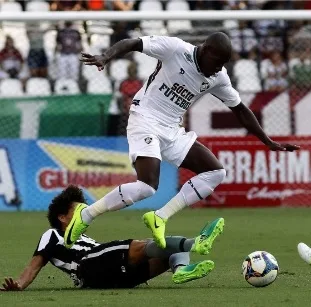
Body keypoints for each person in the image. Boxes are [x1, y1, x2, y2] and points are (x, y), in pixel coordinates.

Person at [66, 32, 299, 250]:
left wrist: (267, 141)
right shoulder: (175, 49)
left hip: (172, 130)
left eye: (223, 64)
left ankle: (160, 217)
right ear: (206, 50)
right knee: (147, 187)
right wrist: (105, 57)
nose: (219, 68)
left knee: (216, 173)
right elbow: (134, 42)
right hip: (145, 118)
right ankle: (86, 215)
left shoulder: (218, 77)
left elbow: (239, 109)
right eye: (217, 62)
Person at [0, 185, 220, 290]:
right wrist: (20, 283)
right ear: (62, 217)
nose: (84, 216)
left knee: (168, 246)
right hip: (89, 267)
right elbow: (35, 264)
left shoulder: (85, 237)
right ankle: (196, 243)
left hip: (120, 278)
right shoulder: (53, 235)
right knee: (145, 244)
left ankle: (181, 270)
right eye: (79, 212)